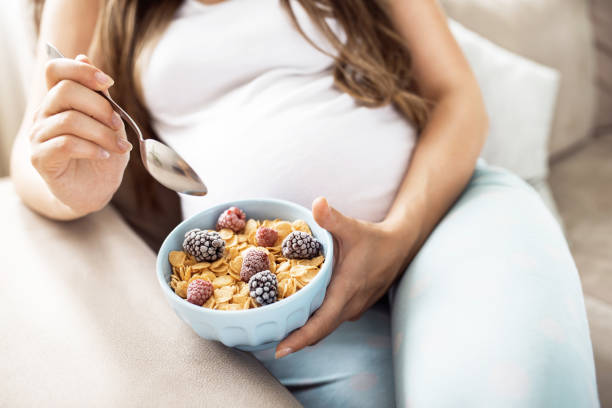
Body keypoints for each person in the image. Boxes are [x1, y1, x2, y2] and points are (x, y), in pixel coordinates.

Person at [11, 0, 598, 406]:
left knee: (508, 388)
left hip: (450, 216)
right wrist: (68, 187)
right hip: (267, 302)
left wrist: (397, 238)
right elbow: (30, 162)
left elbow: (458, 97)